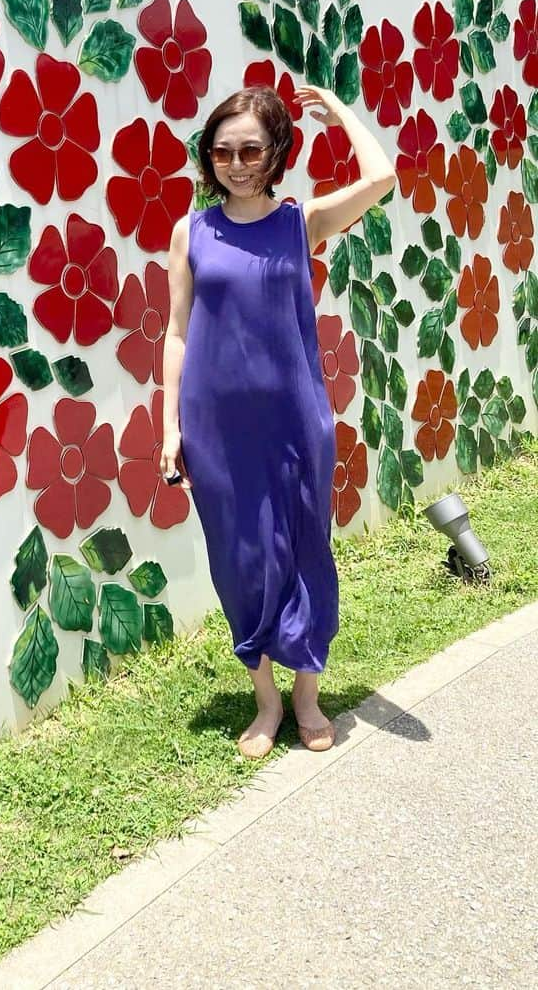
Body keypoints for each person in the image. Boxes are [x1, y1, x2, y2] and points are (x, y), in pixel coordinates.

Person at [160, 82, 395, 758]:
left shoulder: (301, 222)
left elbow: (381, 178)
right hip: (217, 430)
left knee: (304, 554)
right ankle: (266, 701)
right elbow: (176, 334)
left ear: (274, 152)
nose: (235, 162)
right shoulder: (193, 231)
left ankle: (307, 698)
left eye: (250, 149)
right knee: (241, 562)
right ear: (208, 156)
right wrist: (171, 427)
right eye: (221, 150)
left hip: (296, 421)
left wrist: (342, 113)